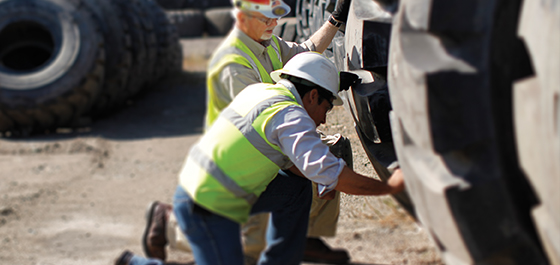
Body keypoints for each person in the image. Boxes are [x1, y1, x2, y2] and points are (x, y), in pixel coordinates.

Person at [116, 51, 404, 265]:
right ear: (313, 96)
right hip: (207, 206)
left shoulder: (261, 91)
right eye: (327, 109)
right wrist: (388, 187)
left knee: (296, 188)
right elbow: (334, 174)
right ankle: (135, 263)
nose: (324, 121)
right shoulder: (291, 116)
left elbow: (294, 163)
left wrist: (321, 179)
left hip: (204, 186)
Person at [139, 0, 355, 264]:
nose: (273, 24)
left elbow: (307, 51)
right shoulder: (233, 63)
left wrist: (335, 21)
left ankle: (303, 237)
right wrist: (322, 171)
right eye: (266, 18)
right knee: (245, 245)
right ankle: (170, 224)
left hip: (270, 138)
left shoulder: (269, 43)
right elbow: (262, 128)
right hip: (244, 156)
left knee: (332, 151)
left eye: (275, 17)